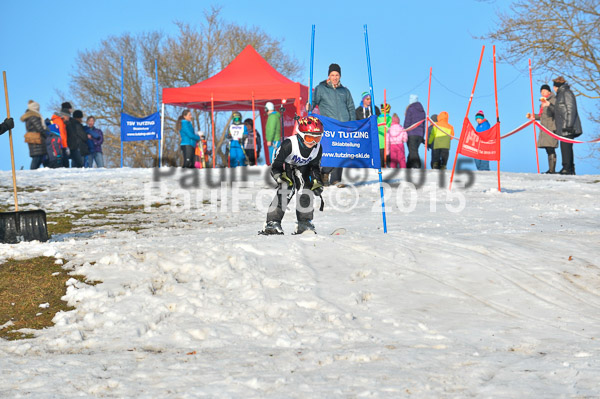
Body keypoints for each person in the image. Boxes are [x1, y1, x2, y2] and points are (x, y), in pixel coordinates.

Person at [260, 116, 324, 235]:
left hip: (303, 167)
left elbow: (314, 167)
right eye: (310, 138)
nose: (314, 142)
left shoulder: (318, 148)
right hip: (287, 166)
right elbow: (276, 163)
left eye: (318, 138)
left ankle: (304, 223)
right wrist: (279, 175)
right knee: (286, 189)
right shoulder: (289, 144)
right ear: (301, 135)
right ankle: (272, 222)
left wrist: (317, 181)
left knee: (306, 190)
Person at [312, 63, 355, 186]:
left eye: (337, 75)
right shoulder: (321, 89)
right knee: (331, 151)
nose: (335, 77)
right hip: (329, 124)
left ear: (340, 76)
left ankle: (336, 179)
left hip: (343, 125)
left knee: (342, 151)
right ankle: (324, 172)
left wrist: (351, 123)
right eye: (332, 75)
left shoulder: (345, 91)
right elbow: (313, 101)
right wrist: (308, 104)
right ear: (328, 76)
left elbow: (351, 107)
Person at [547, 76, 582, 175]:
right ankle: (569, 168)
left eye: (554, 86)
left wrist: (569, 125)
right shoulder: (560, 95)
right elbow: (558, 112)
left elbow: (571, 109)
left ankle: (567, 168)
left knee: (566, 147)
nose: (553, 88)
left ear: (557, 86)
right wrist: (549, 105)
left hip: (567, 127)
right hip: (563, 127)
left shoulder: (566, 93)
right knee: (565, 147)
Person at [526, 84, 558, 173]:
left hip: (551, 127)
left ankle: (552, 170)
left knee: (551, 148)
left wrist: (548, 105)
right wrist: (533, 116)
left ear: (549, 91)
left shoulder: (553, 100)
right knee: (548, 149)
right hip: (544, 128)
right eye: (541, 91)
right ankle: (551, 169)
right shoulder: (542, 104)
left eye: (544, 91)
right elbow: (542, 116)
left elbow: (555, 112)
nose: (543, 92)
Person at [19, 100, 47, 169]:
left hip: (34, 139)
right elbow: (39, 128)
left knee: (38, 157)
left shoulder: (30, 116)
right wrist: (46, 133)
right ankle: (32, 173)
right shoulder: (33, 116)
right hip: (37, 139)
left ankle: (33, 172)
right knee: (37, 157)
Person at [404, 94, 426, 168]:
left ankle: (417, 165)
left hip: (411, 133)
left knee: (413, 151)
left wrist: (405, 130)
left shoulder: (410, 109)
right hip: (420, 134)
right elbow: (423, 124)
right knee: (413, 150)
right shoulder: (422, 111)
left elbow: (407, 121)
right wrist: (422, 136)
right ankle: (409, 166)